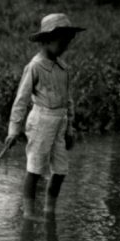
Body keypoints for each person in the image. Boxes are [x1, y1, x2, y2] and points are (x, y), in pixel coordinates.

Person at [5, 13, 84, 220]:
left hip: (60, 121)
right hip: (41, 120)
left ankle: (49, 210)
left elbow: (68, 100)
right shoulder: (35, 66)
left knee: (60, 170)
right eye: (62, 42)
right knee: (35, 168)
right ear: (46, 41)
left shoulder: (64, 68)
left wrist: (70, 128)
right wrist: (14, 130)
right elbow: (21, 100)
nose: (65, 46)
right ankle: (29, 213)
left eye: (68, 42)